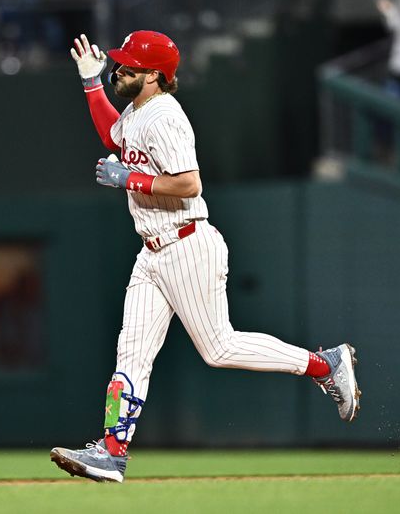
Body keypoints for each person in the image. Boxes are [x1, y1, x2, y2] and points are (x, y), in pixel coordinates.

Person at [48, 31, 361, 483]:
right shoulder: (138, 112)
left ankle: (325, 364)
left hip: (186, 242)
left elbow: (189, 183)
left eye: (129, 66)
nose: (120, 70)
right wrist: (91, 84)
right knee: (131, 354)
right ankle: (111, 453)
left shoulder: (164, 117)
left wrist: (130, 180)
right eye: (119, 64)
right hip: (152, 250)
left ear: (155, 75)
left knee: (219, 347)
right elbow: (112, 136)